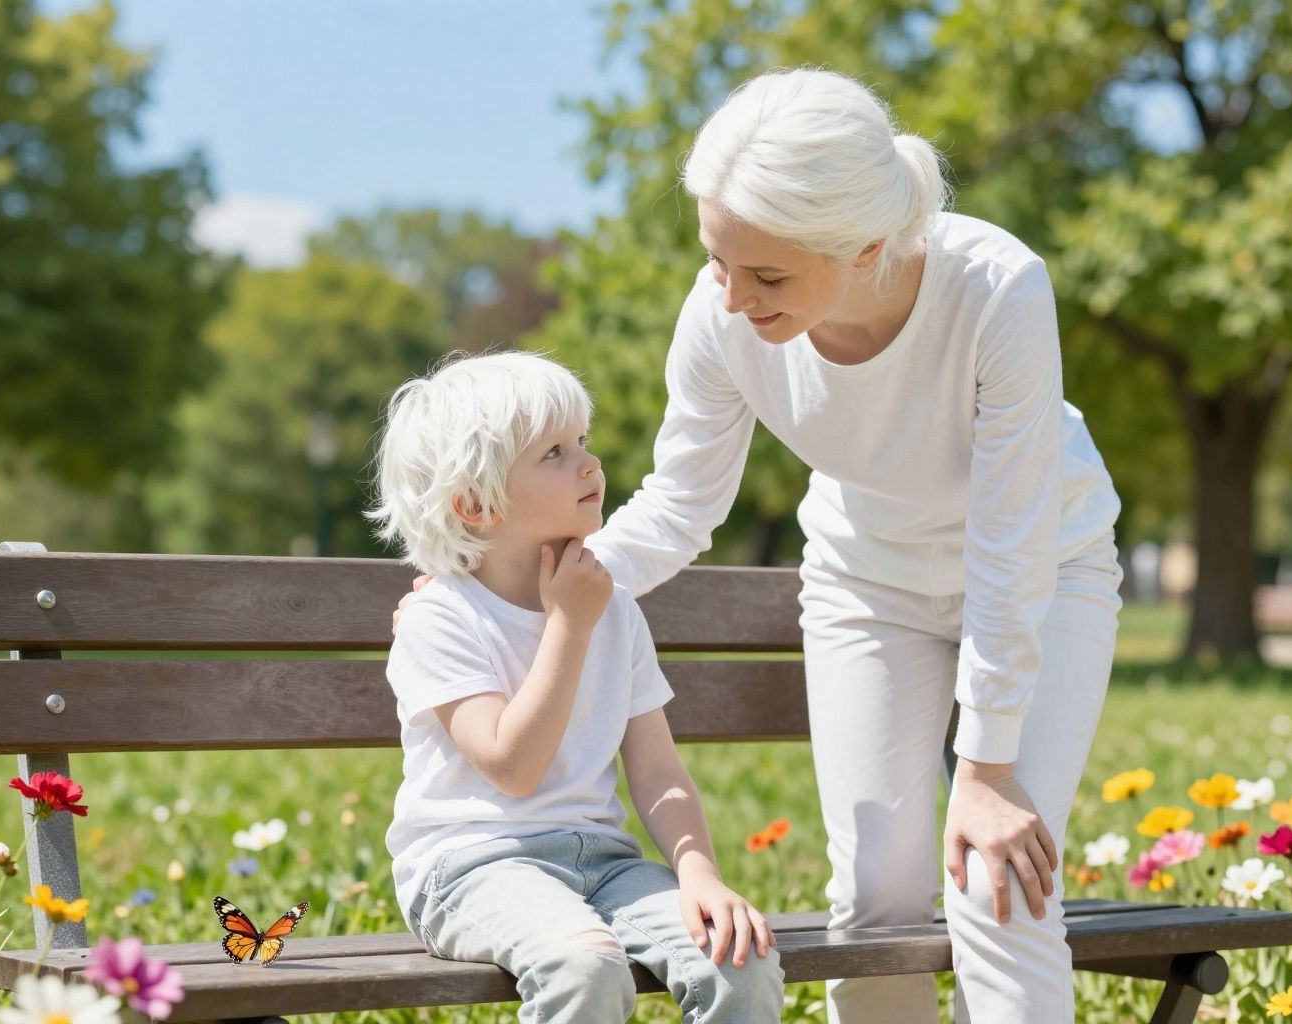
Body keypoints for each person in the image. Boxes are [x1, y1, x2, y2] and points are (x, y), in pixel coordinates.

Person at [397, 66, 1124, 1023]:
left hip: (1045, 569)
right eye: (716, 262)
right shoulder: (722, 316)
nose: (733, 299)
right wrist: (518, 585)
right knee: (877, 902)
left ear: (865, 246)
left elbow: (1011, 538)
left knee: (998, 878)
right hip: (868, 582)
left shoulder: (996, 289)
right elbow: (678, 507)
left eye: (768, 274)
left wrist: (985, 771)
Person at [369, 351, 785, 1023]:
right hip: (473, 868)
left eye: (583, 442)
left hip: (606, 863)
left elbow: (658, 768)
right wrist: (569, 623)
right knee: (583, 965)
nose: (589, 463)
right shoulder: (439, 619)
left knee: (741, 957)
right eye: (554, 453)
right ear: (476, 504)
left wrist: (699, 873)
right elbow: (514, 766)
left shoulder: (613, 606)